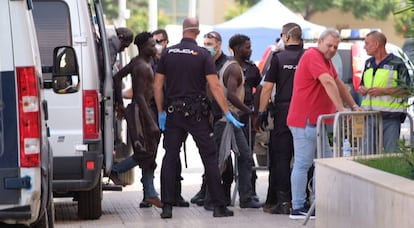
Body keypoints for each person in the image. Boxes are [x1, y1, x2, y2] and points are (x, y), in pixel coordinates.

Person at [154, 17, 241, 219]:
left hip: (174, 114)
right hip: (197, 114)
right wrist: (226, 112)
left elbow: (157, 86)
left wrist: (161, 112)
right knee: (209, 157)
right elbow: (215, 86)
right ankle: (219, 206)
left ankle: (167, 206)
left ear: (183, 30)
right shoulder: (202, 54)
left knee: (170, 157)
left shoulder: (168, 53)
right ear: (198, 32)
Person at [286, 29, 363, 220]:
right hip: (306, 122)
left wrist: (353, 105)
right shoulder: (312, 55)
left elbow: (338, 84)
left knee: (324, 163)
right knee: (303, 163)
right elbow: (328, 81)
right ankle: (298, 207)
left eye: (335, 47)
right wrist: (342, 109)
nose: (332, 49)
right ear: (320, 41)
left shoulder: (326, 60)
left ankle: (317, 202)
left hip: (318, 123)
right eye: (329, 45)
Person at [125, 29, 190, 208]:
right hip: (151, 111)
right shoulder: (146, 63)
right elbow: (139, 91)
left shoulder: (167, 61)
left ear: (166, 42)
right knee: (149, 153)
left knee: (171, 152)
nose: (157, 46)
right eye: (154, 42)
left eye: (160, 41)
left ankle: (174, 193)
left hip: (168, 111)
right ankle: (149, 193)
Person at [110, 32, 163, 208]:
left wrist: (119, 103)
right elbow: (139, 96)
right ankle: (116, 170)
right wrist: (151, 122)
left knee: (149, 154)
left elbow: (117, 77)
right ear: (142, 47)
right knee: (145, 153)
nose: (154, 47)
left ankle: (150, 193)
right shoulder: (141, 66)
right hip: (141, 111)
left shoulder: (140, 62)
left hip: (140, 110)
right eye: (151, 45)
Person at [257, 23, 304, 214]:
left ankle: (283, 201)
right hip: (305, 111)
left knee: (282, 157)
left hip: (284, 111)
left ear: (285, 37)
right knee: (303, 157)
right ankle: (302, 198)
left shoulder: (279, 58)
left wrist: (261, 112)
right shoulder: (308, 56)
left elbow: (267, 87)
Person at [212, 34, 262, 209]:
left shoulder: (232, 66)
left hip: (230, 119)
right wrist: (250, 111)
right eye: (247, 47)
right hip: (227, 120)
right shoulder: (233, 68)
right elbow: (231, 95)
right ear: (238, 48)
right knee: (223, 160)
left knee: (243, 156)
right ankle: (215, 199)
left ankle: (245, 197)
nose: (250, 50)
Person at [190, 31, 231, 208]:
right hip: (206, 115)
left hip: (222, 115)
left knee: (223, 156)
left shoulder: (226, 64)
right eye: (204, 43)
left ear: (219, 45)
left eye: (210, 43)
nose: (206, 46)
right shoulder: (201, 60)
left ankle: (222, 192)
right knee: (208, 155)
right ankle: (206, 188)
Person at [359, 31, 410, 153]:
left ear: (376, 44)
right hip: (370, 117)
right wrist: (363, 90)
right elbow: (361, 85)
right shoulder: (368, 63)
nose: (364, 47)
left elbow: (407, 89)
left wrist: (384, 91)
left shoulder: (397, 63)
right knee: (367, 155)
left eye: (367, 43)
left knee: (390, 154)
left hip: (390, 117)